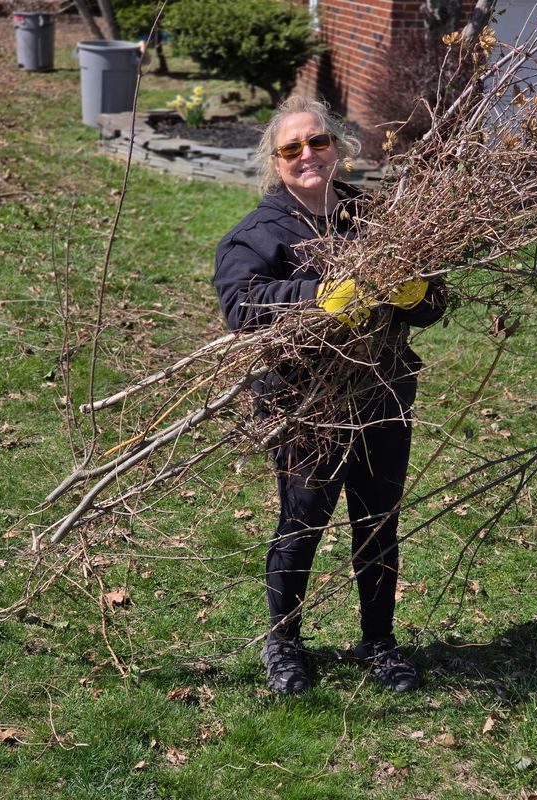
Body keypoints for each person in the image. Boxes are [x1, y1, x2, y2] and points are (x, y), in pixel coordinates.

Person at [214, 96, 445, 695]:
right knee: (302, 523)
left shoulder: (374, 219)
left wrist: (414, 291)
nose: (308, 155)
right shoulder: (257, 234)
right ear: (275, 160)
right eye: (292, 148)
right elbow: (242, 308)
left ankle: (379, 641)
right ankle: (284, 644)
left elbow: (435, 305)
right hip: (304, 406)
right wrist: (318, 295)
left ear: (337, 148)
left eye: (318, 141)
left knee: (378, 523)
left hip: (383, 395)